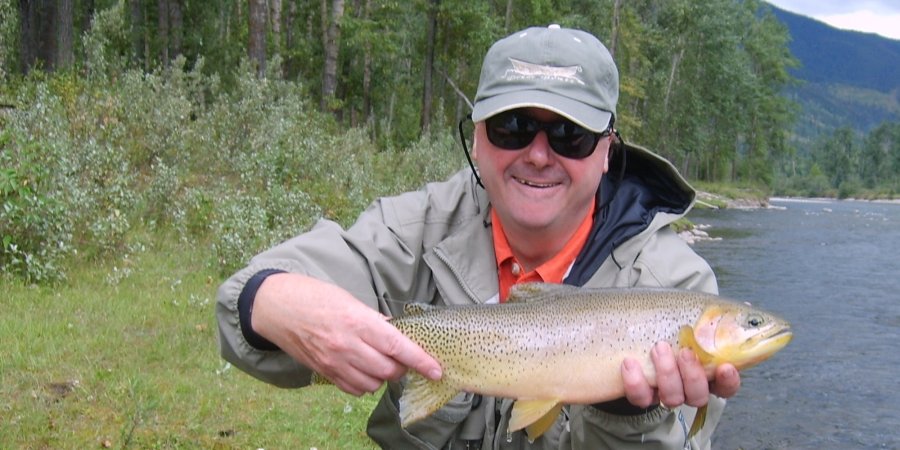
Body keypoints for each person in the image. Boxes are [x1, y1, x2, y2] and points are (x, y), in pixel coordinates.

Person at [216, 24, 741, 449]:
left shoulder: (676, 284)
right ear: (477, 137)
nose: (538, 154)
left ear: (607, 151)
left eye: (569, 135)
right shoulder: (418, 228)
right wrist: (275, 303)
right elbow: (240, 300)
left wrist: (630, 416)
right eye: (511, 126)